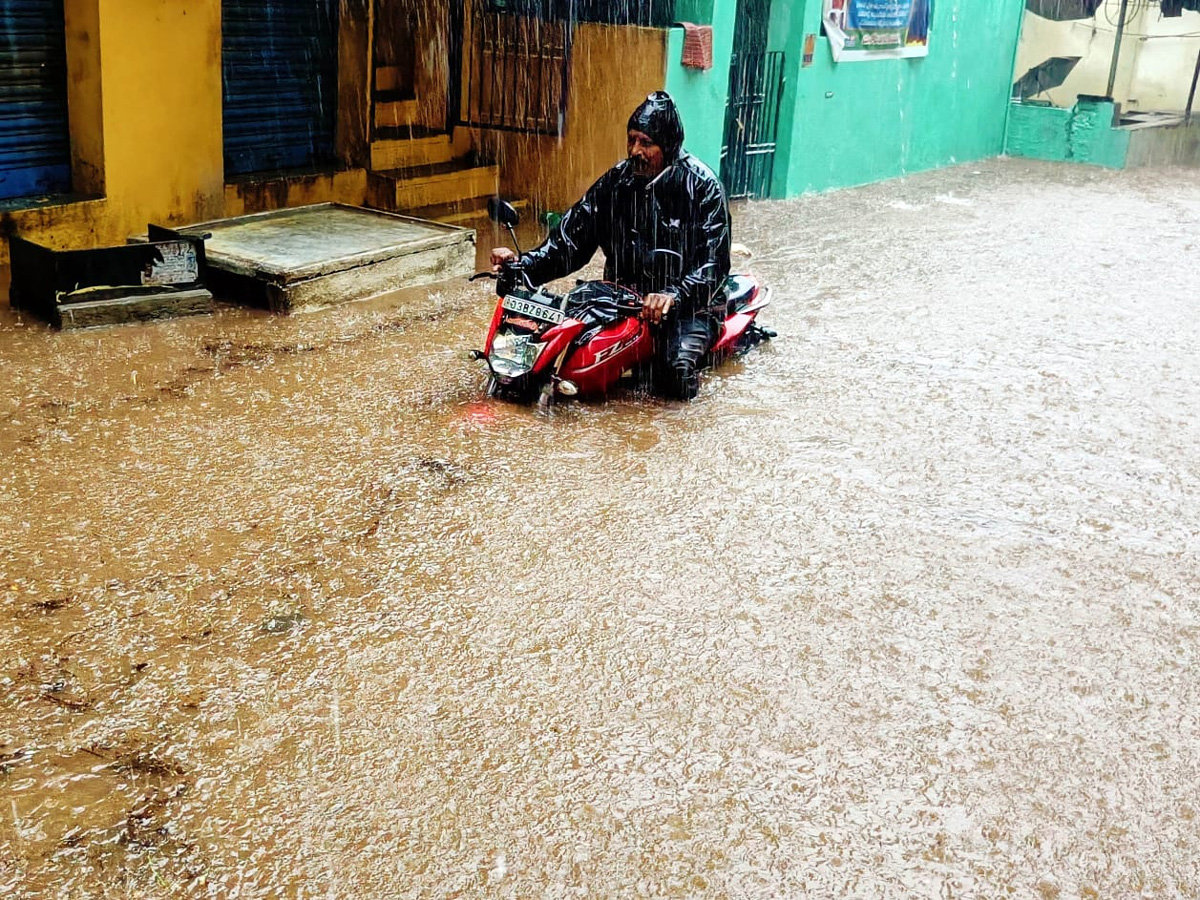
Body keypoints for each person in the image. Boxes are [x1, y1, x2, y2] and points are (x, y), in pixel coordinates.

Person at [490, 91, 731, 401]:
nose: (635, 150)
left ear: (668, 145)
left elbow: (714, 264)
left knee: (672, 373)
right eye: (632, 140)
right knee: (549, 338)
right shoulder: (616, 182)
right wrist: (522, 265)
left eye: (646, 143)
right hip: (619, 298)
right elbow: (568, 242)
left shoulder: (703, 186)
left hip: (690, 307)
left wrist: (673, 296)